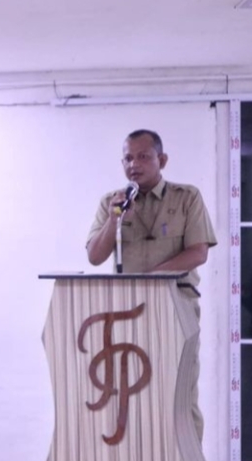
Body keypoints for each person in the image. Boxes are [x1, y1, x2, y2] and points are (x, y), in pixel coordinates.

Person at [86, 129, 217, 440]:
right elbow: (95, 256)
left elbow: (198, 252)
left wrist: (151, 281)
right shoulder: (112, 203)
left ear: (162, 160)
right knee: (132, 394)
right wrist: (114, 220)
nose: (134, 164)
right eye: (128, 158)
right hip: (127, 313)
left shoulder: (186, 198)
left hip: (176, 307)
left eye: (143, 156)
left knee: (179, 394)